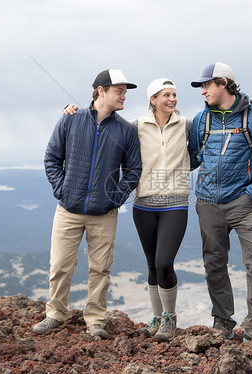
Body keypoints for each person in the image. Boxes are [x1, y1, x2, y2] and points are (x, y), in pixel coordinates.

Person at [62, 78, 193, 342]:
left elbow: (214, 123)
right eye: (166, 95)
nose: (172, 99)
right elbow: (105, 125)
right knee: (152, 266)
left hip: (175, 204)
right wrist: (73, 111)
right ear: (153, 99)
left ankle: (170, 319)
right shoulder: (135, 126)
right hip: (143, 205)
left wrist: (247, 104)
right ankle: (156, 319)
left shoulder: (188, 124)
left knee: (164, 262)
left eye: (175, 95)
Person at [33, 69, 142, 340]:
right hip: (68, 209)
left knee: (101, 268)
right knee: (60, 265)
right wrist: (63, 190)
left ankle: (95, 319)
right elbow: (51, 159)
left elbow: (134, 169)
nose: (124, 96)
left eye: (125, 92)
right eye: (119, 91)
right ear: (101, 91)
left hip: (104, 213)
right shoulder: (70, 120)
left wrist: (115, 198)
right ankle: (56, 313)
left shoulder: (125, 130)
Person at [187, 62, 252, 345]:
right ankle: (222, 323)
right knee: (214, 264)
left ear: (224, 84)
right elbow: (191, 158)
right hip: (206, 204)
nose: (203, 90)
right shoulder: (200, 120)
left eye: (207, 84)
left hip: (243, 203)